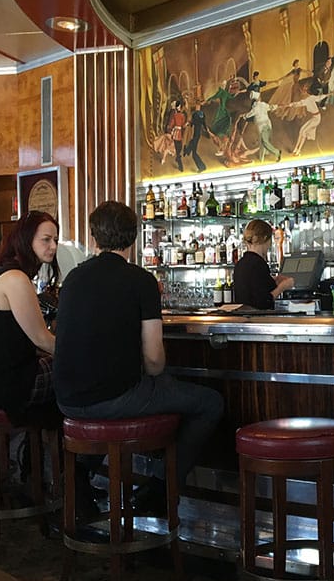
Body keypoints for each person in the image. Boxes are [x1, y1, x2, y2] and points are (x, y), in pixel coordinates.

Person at [54, 201, 224, 517]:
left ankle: (77, 477)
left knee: (107, 397)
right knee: (210, 403)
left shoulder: (73, 279)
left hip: (66, 400)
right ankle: (160, 491)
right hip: (113, 399)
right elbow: (155, 359)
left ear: (94, 238)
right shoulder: (141, 280)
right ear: (135, 237)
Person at [0, 211, 60, 428]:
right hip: (8, 385)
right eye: (46, 240)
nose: (54, 246)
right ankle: (78, 451)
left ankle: (40, 452)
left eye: (55, 240)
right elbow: (42, 339)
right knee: (77, 371)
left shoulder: (2, 271)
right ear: (26, 240)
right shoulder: (16, 278)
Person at [232, 220, 295, 310]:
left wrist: (273, 281)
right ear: (265, 238)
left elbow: (253, 290)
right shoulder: (258, 263)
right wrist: (283, 287)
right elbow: (264, 302)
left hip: (243, 319)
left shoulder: (241, 263)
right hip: (257, 319)